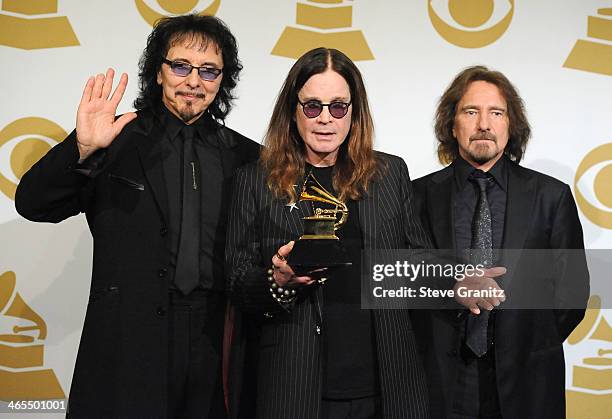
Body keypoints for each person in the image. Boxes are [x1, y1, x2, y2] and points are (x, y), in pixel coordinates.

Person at [15, 14, 259, 419]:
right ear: (158, 72)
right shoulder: (114, 139)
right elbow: (33, 203)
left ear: (223, 79)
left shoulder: (250, 158)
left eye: (209, 71)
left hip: (216, 345)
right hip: (128, 342)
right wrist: (81, 148)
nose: (193, 82)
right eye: (180, 66)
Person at [225, 47, 430, 419]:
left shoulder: (390, 174)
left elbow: (416, 261)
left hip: (385, 384)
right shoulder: (254, 180)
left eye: (338, 106)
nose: (325, 119)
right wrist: (278, 279)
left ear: (354, 113)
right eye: (312, 106)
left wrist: (457, 278)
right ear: (293, 110)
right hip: (294, 382)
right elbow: (236, 279)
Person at [412, 65, 589, 418]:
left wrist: (528, 343)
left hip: (527, 382)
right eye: (470, 111)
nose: (484, 124)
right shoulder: (415, 196)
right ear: (451, 123)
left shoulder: (550, 196)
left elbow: (572, 294)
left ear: (511, 125)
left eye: (496, 112)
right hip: (439, 381)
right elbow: (405, 278)